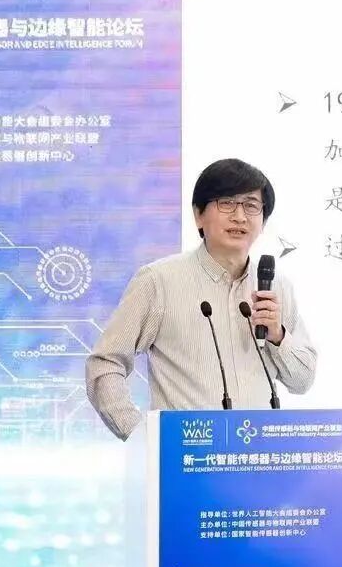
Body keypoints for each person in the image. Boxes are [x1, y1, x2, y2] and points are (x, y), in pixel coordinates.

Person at [85, 158, 316, 440]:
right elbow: (105, 362)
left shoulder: (276, 287)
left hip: (259, 457)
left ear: (263, 221)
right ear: (198, 215)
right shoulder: (158, 281)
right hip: (188, 455)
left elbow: (302, 381)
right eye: (227, 203)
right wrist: (141, 436)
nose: (240, 216)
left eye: (251, 205)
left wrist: (278, 336)